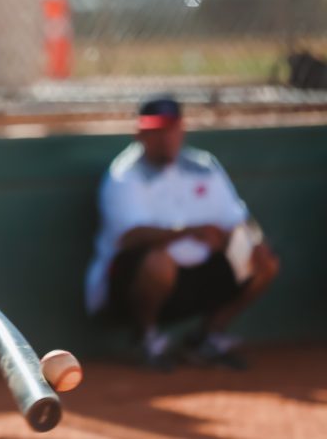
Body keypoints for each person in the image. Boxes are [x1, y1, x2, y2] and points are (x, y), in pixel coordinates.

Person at [84, 96, 280, 371]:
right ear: (140, 133)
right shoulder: (124, 176)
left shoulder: (204, 166)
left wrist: (254, 240)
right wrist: (190, 231)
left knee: (264, 260)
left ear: (182, 130)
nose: (165, 137)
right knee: (158, 261)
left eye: (171, 129)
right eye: (156, 130)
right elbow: (130, 236)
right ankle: (146, 337)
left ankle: (206, 338)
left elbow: (239, 219)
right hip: (130, 287)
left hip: (199, 277)